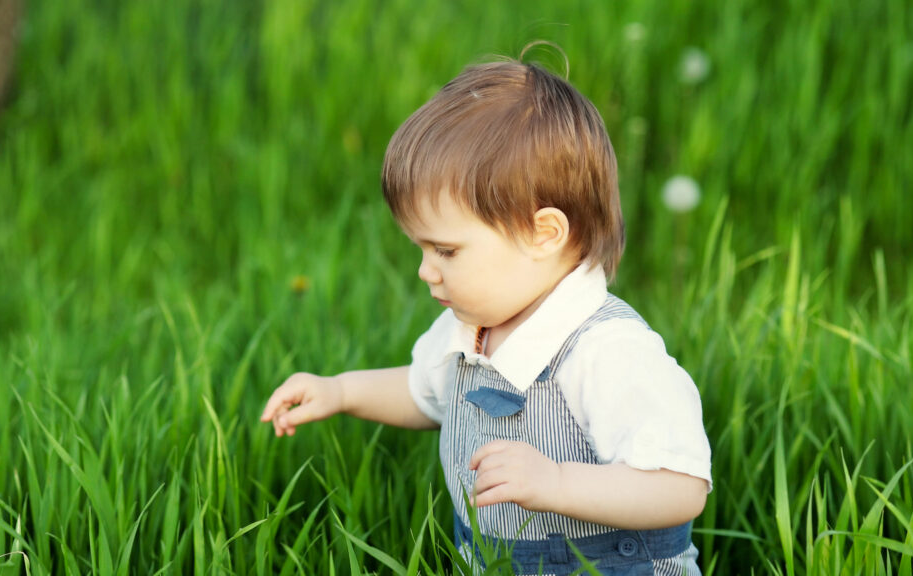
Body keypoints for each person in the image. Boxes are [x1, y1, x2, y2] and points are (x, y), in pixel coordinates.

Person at [260, 53, 712, 575]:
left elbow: (680, 487)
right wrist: (340, 391)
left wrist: (558, 483)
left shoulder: (607, 351)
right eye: (421, 249)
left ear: (543, 234)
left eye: (446, 252)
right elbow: (424, 392)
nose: (426, 272)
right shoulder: (469, 326)